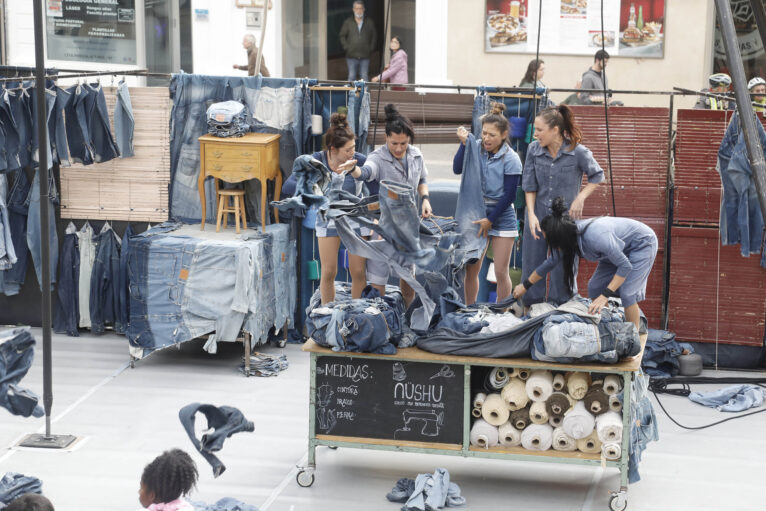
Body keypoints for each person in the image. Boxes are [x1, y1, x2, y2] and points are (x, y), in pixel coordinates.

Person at [513, 197, 658, 330]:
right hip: (615, 251)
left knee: (628, 294)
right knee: (594, 287)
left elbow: (625, 266)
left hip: (642, 244)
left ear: (558, 237)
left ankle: (633, 339)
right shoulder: (568, 240)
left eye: (550, 241)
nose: (550, 245)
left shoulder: (596, 237)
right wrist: (524, 286)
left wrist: (605, 296)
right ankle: (611, 326)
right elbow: (548, 265)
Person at [341, 104, 431, 305]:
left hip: (408, 229)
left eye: (403, 143)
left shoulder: (416, 155)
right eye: (394, 143)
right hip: (382, 228)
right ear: (386, 137)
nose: (399, 148)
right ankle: (380, 322)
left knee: (409, 280)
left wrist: (425, 199)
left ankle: (408, 320)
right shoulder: (377, 158)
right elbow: (366, 172)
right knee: (378, 281)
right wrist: (354, 170)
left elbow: (422, 180)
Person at [521, 104, 604, 307]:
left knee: (563, 266)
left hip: (565, 221)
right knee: (533, 263)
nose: (535, 134)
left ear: (555, 130)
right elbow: (529, 185)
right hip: (538, 216)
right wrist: (531, 214)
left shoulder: (578, 152)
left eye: (539, 130)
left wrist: (581, 197)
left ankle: (562, 309)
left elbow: (597, 175)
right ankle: (532, 309)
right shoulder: (533, 149)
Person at [452, 103, 522, 304]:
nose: (487, 138)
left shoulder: (511, 158)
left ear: (503, 135)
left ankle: (502, 313)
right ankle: (469, 309)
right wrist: (464, 144)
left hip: (500, 214)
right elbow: (457, 169)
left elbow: (509, 196)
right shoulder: (476, 148)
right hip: (476, 211)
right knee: (471, 268)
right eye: (484, 133)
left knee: (501, 271)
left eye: (492, 135)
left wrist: (490, 220)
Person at [312, 113, 369, 304]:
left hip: (356, 216)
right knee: (328, 271)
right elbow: (291, 185)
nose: (352, 152)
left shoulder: (359, 160)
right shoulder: (317, 160)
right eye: (348, 150)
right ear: (333, 149)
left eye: (354, 147)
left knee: (358, 271)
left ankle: (358, 314)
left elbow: (377, 184)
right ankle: (327, 314)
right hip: (328, 216)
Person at [339, 1, 377, 82]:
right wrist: (346, 47)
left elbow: (374, 36)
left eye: (360, 8)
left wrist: (370, 48)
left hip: (365, 56)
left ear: (364, 9)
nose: (358, 11)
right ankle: (350, 94)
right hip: (351, 55)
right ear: (353, 9)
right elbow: (342, 35)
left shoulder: (369, 22)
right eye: (356, 8)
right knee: (351, 77)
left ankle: (365, 94)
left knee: (364, 77)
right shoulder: (348, 22)